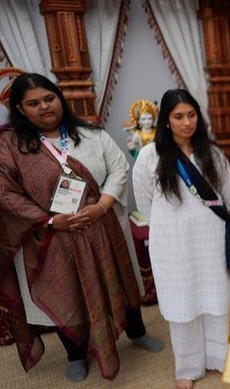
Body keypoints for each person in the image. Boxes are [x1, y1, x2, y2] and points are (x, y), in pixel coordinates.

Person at [0, 73, 163, 382]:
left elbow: (117, 167)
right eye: (33, 103)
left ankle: (137, 332)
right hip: (49, 238)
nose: (45, 107)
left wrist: (101, 206)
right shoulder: (12, 147)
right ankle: (76, 354)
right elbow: (4, 193)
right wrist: (49, 220)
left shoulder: (90, 133)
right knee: (67, 292)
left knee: (119, 282)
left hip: (101, 226)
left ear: (59, 98)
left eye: (49, 98)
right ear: (20, 109)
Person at [132, 88, 230, 389]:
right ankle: (188, 367)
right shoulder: (149, 156)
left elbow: (228, 197)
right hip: (172, 242)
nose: (186, 122)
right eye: (178, 116)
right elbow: (145, 202)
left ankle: (222, 359)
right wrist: (173, 224)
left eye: (191, 115)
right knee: (182, 303)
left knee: (217, 298)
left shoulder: (213, 152)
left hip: (210, 239)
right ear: (166, 121)